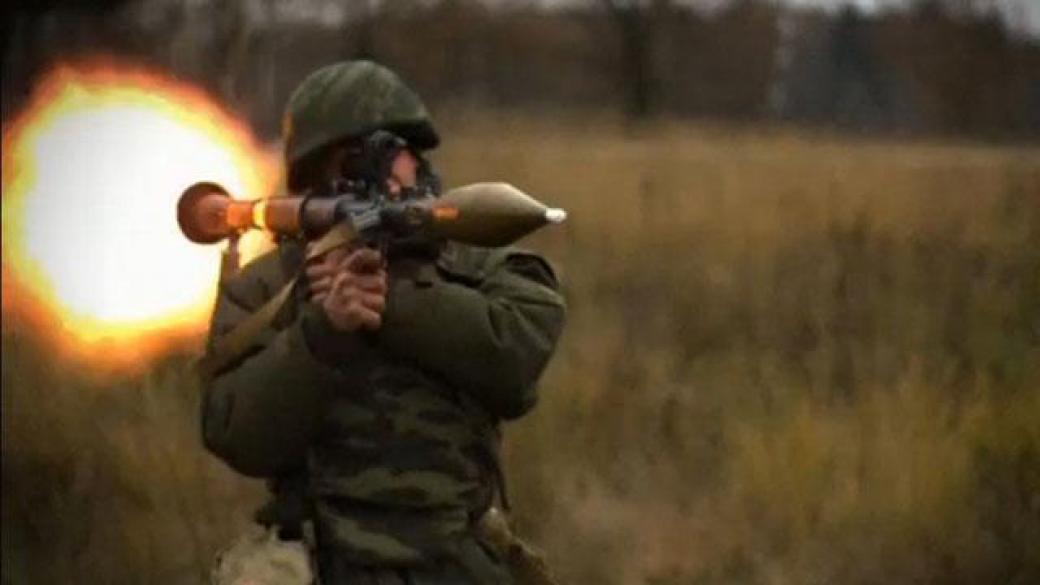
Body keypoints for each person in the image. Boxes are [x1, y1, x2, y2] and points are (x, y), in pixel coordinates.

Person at [200, 60, 566, 584]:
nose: (378, 176)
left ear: (418, 159)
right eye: (350, 161)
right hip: (323, 563)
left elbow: (517, 360)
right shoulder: (267, 290)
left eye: (391, 151)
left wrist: (391, 302)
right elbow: (234, 432)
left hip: (455, 561)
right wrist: (321, 334)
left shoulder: (479, 266)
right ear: (312, 180)